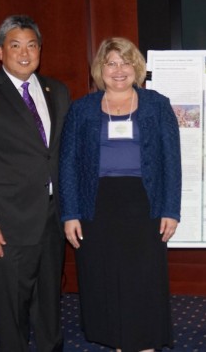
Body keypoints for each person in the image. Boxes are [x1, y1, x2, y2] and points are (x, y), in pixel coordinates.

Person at [0, 15, 71, 351]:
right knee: (12, 310)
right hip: (5, 223)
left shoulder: (56, 90)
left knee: (50, 304)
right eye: (15, 45)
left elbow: (58, 154)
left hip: (51, 218)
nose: (24, 53)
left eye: (31, 45)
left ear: (39, 50)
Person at [59, 37, 181, 351]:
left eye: (125, 62)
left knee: (142, 278)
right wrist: (69, 213)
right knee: (102, 278)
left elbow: (171, 161)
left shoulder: (157, 104)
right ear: (100, 68)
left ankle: (144, 342)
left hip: (144, 203)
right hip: (95, 204)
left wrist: (171, 209)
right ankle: (116, 340)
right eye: (111, 62)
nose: (118, 70)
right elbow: (68, 164)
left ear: (136, 67)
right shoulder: (82, 109)